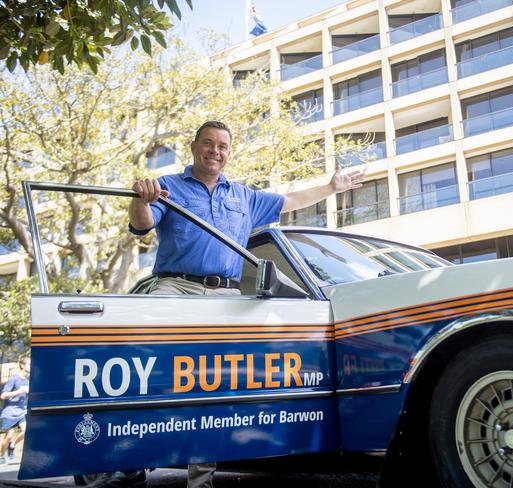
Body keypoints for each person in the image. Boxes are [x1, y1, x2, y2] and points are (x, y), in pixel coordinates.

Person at [129, 120, 363, 488]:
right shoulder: (169, 186)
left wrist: (332, 187)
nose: (215, 151)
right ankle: (129, 458)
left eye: (222, 145)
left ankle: (200, 481)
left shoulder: (243, 196)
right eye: (208, 143)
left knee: (211, 386)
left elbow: (291, 202)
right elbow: (142, 224)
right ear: (193, 147)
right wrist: (141, 200)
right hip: (175, 289)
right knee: (149, 369)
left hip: (226, 296)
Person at [0, 357, 30, 465]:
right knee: (8, 436)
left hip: (21, 412)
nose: (31, 366)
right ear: (22, 366)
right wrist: (19, 391)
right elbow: (3, 395)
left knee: (26, 431)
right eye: (29, 364)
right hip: (10, 412)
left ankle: (12, 444)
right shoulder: (14, 379)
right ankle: (1, 456)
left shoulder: (27, 381)